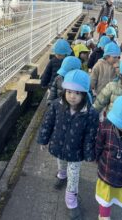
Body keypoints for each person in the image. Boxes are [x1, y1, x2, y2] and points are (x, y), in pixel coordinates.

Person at [38, 69, 99, 220]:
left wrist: (90, 154)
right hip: (58, 145)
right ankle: (61, 174)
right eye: (70, 91)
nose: (72, 96)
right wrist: (43, 139)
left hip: (76, 152)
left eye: (77, 93)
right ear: (65, 90)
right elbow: (48, 123)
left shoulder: (90, 113)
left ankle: (71, 202)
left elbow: (90, 135)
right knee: (60, 162)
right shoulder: (56, 105)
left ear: (84, 94)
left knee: (74, 174)